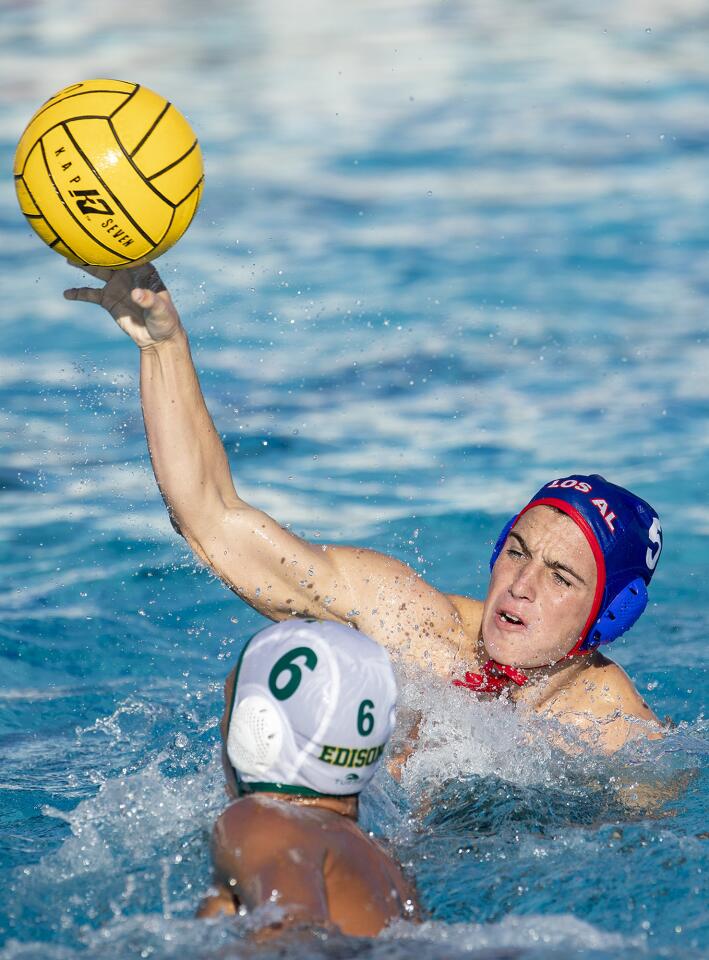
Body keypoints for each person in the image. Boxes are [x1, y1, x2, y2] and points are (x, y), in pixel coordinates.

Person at [64, 262, 664, 753]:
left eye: (561, 577)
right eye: (517, 551)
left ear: (608, 617)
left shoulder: (619, 736)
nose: (521, 585)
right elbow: (213, 521)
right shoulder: (411, 624)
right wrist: (164, 346)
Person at [196, 617, 417, 935]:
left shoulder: (264, 822)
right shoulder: (386, 864)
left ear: (257, 726)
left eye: (229, 705)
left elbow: (294, 942)